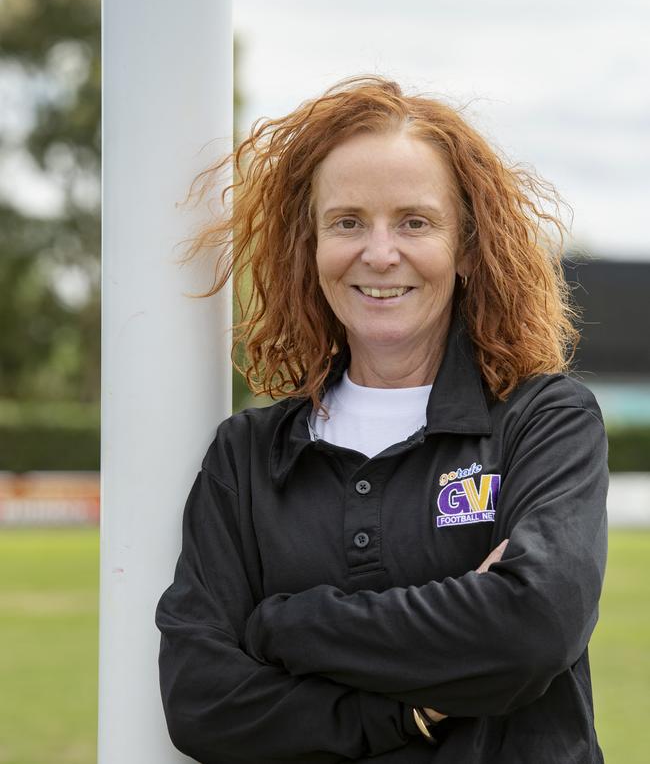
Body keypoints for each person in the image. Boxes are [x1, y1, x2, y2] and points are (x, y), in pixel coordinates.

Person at [155, 75, 609, 763]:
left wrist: (288, 624)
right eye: (347, 222)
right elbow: (202, 701)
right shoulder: (246, 456)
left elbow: (534, 628)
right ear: (310, 247)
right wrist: (409, 710)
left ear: (465, 248)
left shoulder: (543, 422)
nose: (379, 252)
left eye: (414, 221)